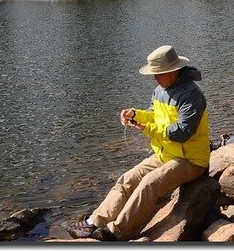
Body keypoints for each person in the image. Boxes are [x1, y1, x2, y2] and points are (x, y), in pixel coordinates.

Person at [65, 45, 210, 242]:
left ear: (173, 71)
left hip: (191, 160)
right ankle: (93, 223)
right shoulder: (160, 90)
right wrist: (135, 114)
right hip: (165, 155)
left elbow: (182, 132)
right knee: (128, 179)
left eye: (157, 73)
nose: (154, 77)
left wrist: (147, 129)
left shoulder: (191, 94)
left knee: (149, 184)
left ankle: (116, 232)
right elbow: (153, 114)